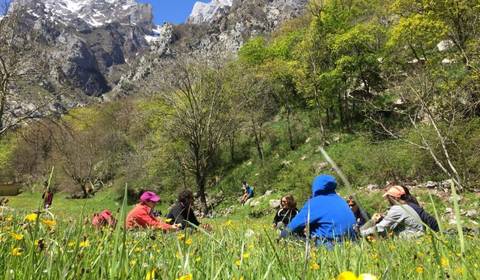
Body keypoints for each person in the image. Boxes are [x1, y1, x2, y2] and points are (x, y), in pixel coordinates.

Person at [283, 175, 356, 248]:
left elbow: (293, 226)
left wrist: (282, 235)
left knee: (288, 238)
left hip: (330, 245)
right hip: (351, 244)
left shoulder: (315, 202)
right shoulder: (341, 200)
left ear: (315, 187)